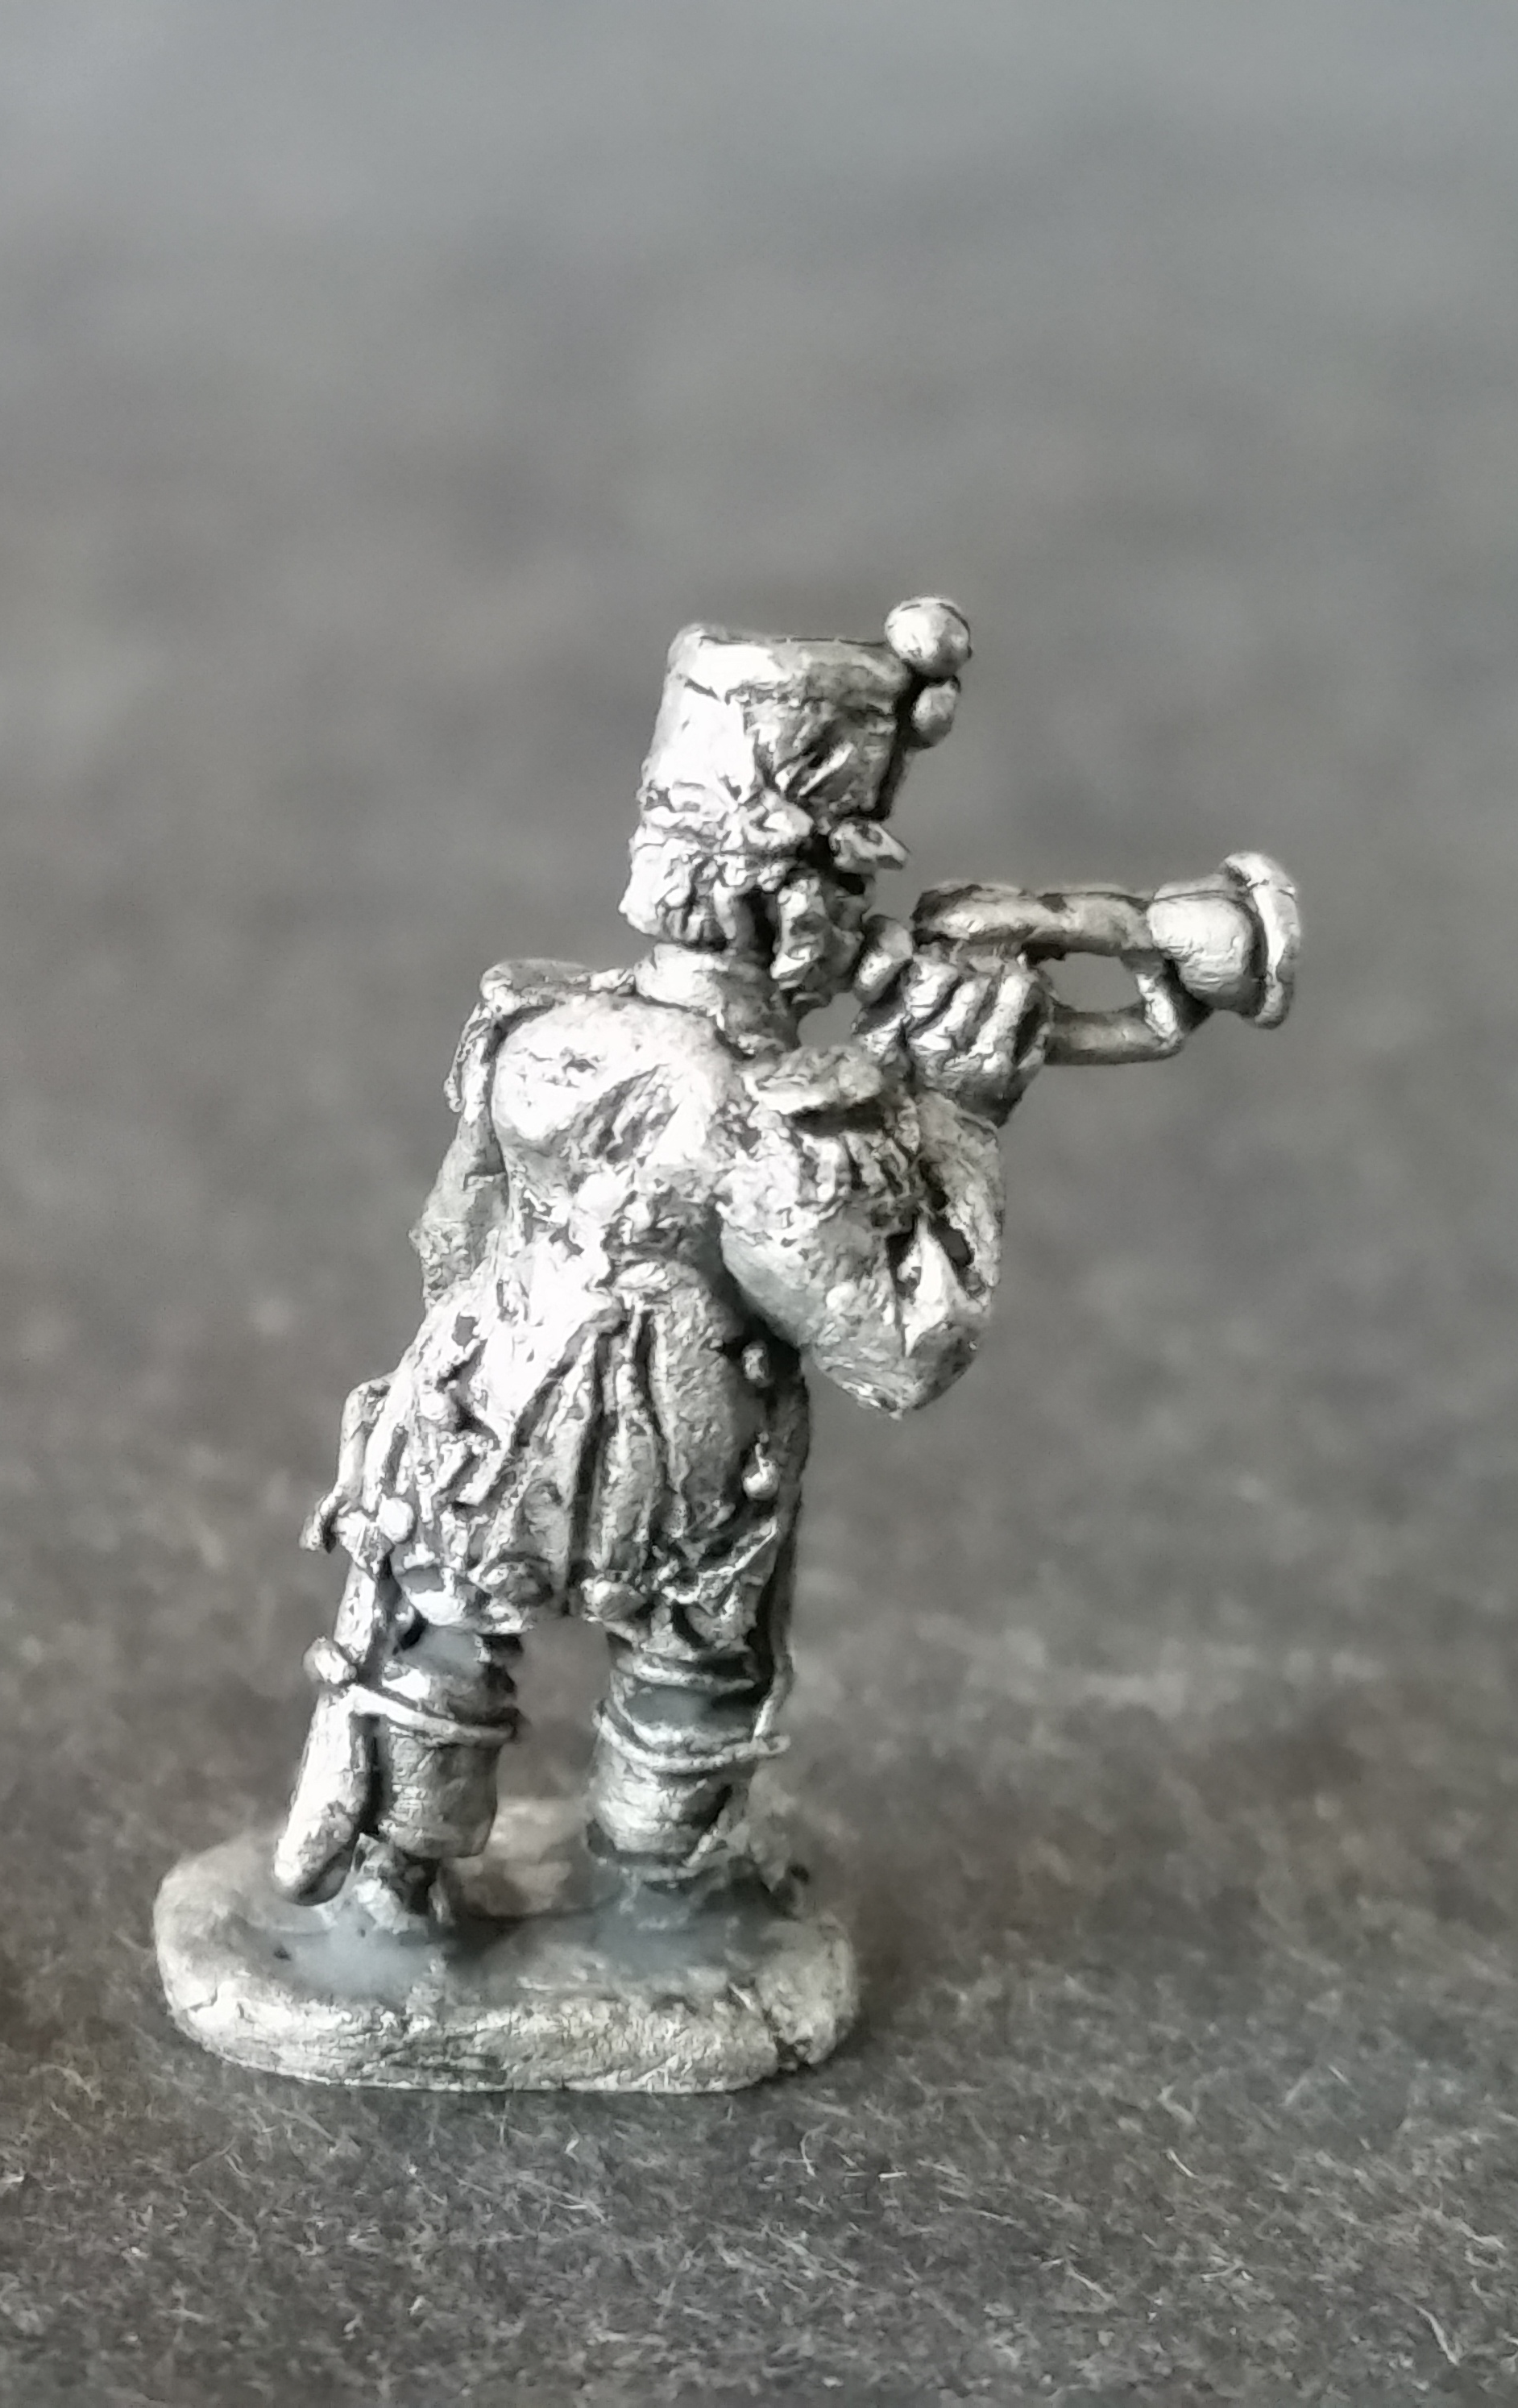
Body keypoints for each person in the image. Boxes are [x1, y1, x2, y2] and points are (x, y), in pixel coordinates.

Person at [270, 597, 1055, 1925]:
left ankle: (396, 1886)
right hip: (694, 1456)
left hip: (473, 1404)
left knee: (435, 1638)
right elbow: (901, 1351)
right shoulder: (764, 1121)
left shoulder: (536, 1022)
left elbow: (451, 1233)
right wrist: (964, 1122)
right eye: (849, 892)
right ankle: (661, 1893)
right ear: (799, 900)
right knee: (695, 1677)